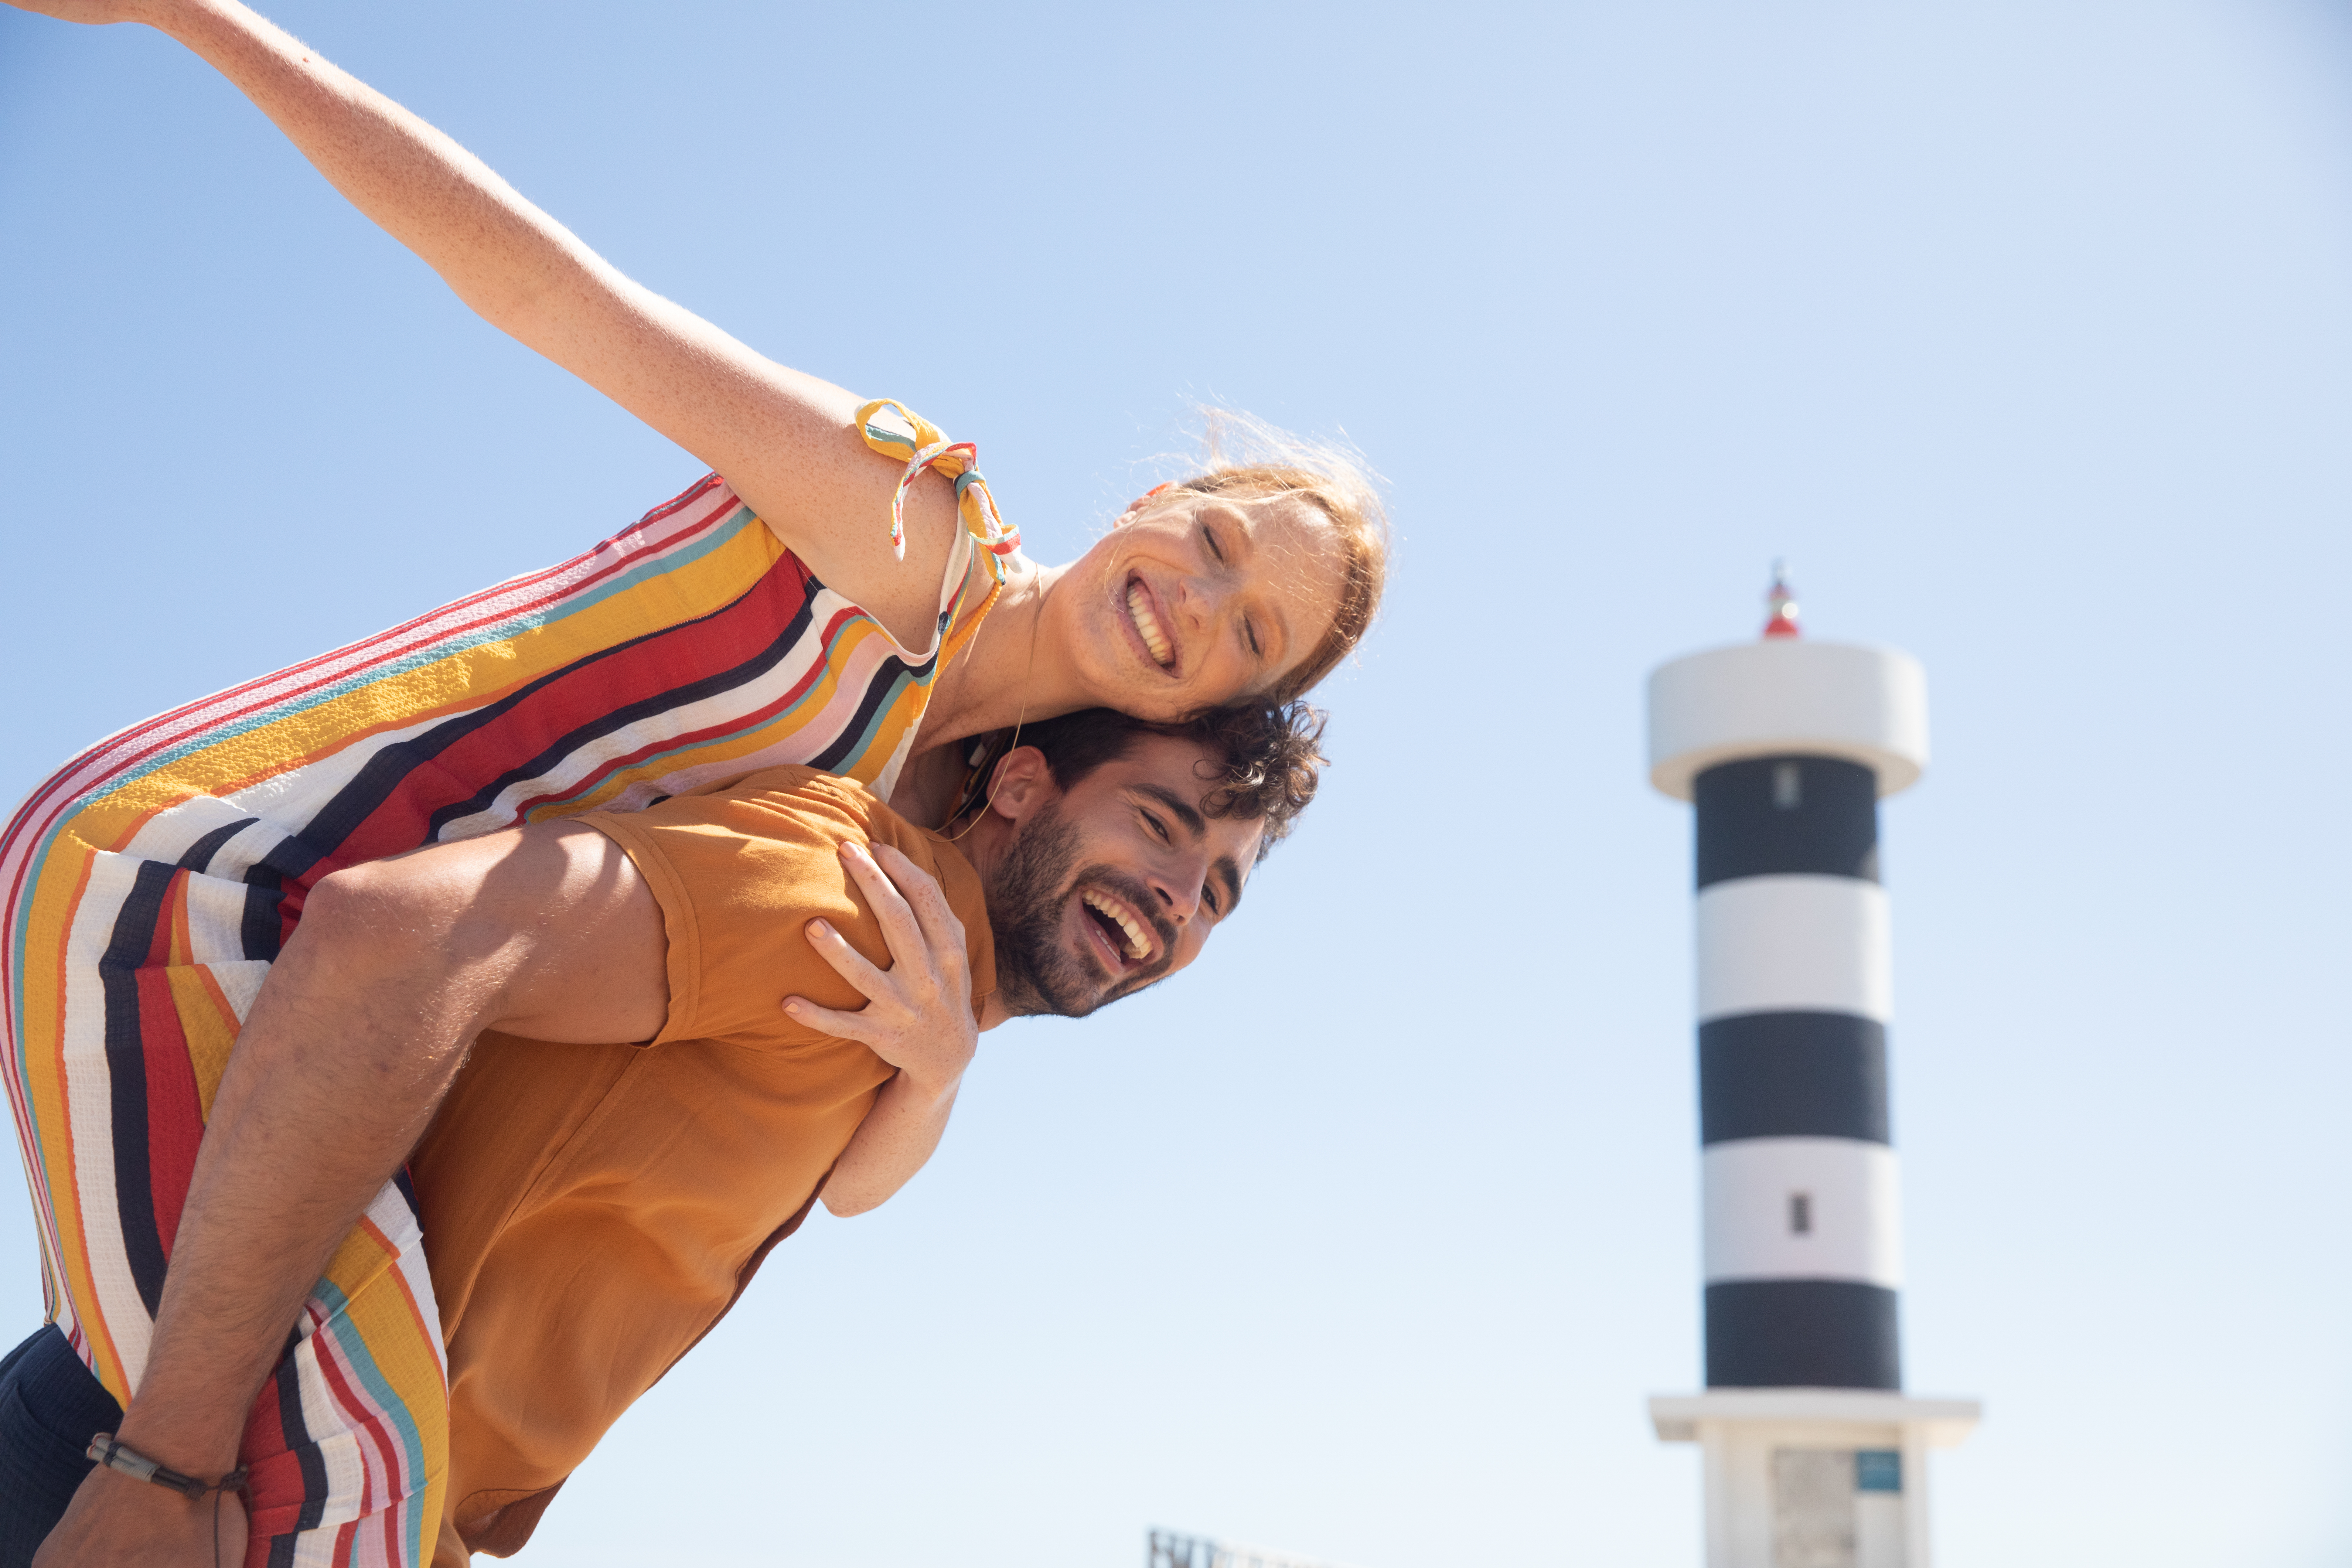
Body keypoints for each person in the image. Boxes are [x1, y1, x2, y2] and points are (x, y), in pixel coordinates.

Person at [0, 3, 1387, 1565]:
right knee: (298, 1493)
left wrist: (938, 1071)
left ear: (1230, 704)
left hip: (347, 985)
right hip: (218, 884)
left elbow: (848, 1178)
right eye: (1208, 542)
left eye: (1247, 632)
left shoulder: (942, 808)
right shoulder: (907, 531)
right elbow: (545, 291)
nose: (1194, 602)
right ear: (1160, 494)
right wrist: (200, 24)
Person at [5, 700, 1324, 1566]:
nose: (1178, 897)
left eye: (1217, 890)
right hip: (160, 1486)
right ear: (1023, 783)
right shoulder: (852, 903)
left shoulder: (908, 1017)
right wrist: (159, 1469)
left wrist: (935, 1075)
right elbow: (388, 941)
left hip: (304, 1506)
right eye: (1160, 823)